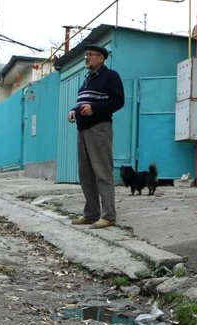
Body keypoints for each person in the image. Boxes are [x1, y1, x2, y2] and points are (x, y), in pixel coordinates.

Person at [68, 44, 124, 229]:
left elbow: (118, 101)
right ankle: (91, 214)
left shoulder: (110, 76)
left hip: (99, 129)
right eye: (86, 55)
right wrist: (73, 111)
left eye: (90, 55)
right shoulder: (87, 81)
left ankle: (108, 215)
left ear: (101, 57)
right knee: (86, 175)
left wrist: (95, 108)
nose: (87, 58)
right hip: (82, 130)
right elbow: (85, 101)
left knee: (102, 172)